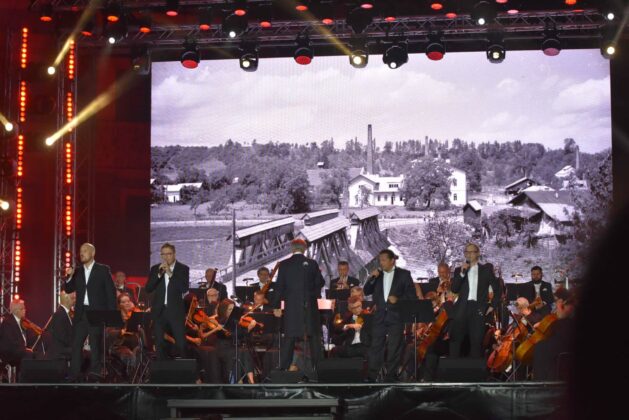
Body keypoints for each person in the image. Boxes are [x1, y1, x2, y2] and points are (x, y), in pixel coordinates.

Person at [271, 238, 325, 376]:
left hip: (292, 308)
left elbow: (279, 287)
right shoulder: (312, 264)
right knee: (314, 338)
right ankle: (319, 369)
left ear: (292, 248)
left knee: (289, 337)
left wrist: (276, 306)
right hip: (309, 307)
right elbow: (320, 282)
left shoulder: (284, 265)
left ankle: (283, 369)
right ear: (304, 248)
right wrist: (312, 293)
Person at [64, 243, 117, 379]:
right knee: (76, 344)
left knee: (95, 343)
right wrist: (69, 276)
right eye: (81, 251)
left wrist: (111, 314)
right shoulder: (78, 271)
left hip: (97, 312)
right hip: (81, 313)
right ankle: (74, 374)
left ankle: (95, 373)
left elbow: (110, 292)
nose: (82, 253)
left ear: (93, 253)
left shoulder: (103, 270)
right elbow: (69, 289)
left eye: (85, 251)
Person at [363, 249, 416, 382]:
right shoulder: (378, 275)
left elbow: (412, 296)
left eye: (384, 260)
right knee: (376, 346)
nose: (381, 263)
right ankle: (372, 376)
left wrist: (398, 299)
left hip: (396, 316)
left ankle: (390, 376)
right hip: (379, 316)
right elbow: (366, 291)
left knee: (394, 347)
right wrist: (372, 278)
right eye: (380, 260)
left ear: (392, 260)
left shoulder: (403, 275)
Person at [449, 243, 500, 358]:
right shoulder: (459, 270)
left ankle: (474, 374)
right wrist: (462, 273)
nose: (468, 254)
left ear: (478, 253)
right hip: (461, 309)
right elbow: (454, 288)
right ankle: (453, 373)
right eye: (466, 252)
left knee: (476, 344)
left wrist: (492, 306)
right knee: (455, 342)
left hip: (478, 309)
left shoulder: (485, 270)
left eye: (471, 252)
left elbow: (498, 289)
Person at [146, 243, 190, 359]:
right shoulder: (155, 269)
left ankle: (185, 373)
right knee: (159, 343)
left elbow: (184, 288)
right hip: (159, 311)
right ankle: (162, 373)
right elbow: (148, 288)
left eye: (169, 254)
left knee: (181, 343)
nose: (166, 257)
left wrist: (170, 273)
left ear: (174, 254)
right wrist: (159, 275)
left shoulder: (183, 268)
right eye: (163, 254)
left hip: (175, 311)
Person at [0, 299, 36, 370]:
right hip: (10, 353)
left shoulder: (22, 321)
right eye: (23, 308)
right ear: (16, 311)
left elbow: (25, 339)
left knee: (36, 353)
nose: (25, 310)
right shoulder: (8, 322)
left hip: (20, 351)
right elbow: (11, 343)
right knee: (31, 356)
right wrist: (25, 350)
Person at [46, 291, 76, 362]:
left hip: (65, 348)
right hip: (60, 351)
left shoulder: (68, 313)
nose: (75, 300)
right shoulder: (59, 314)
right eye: (72, 298)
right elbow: (62, 336)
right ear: (66, 299)